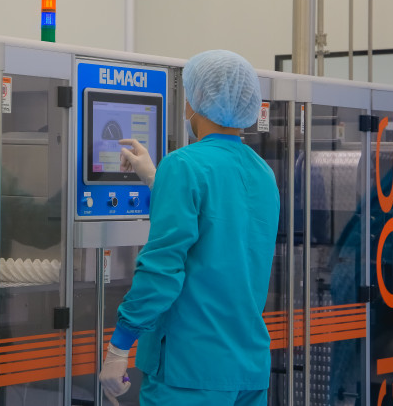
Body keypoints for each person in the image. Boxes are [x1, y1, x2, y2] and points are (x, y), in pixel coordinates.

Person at [99, 50, 280, 405]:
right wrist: (157, 180)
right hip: (247, 368)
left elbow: (161, 270)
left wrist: (119, 346)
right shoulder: (263, 173)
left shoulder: (183, 165)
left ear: (197, 102)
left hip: (189, 370)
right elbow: (224, 228)